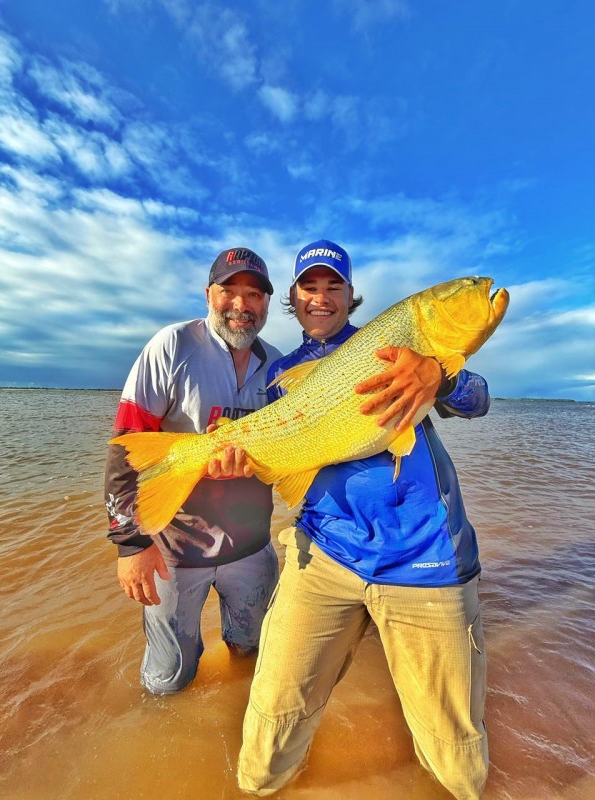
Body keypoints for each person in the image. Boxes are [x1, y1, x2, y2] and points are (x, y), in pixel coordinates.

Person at [237, 239, 490, 799]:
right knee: (270, 729)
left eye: (334, 286)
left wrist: (440, 377)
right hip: (324, 554)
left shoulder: (399, 347)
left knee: (456, 758)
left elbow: (478, 399)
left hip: (426, 560)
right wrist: (235, 457)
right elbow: (279, 462)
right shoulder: (281, 372)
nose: (321, 297)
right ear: (294, 298)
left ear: (351, 295)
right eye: (309, 287)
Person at [104, 247, 282, 694]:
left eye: (254, 294)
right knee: (168, 682)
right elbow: (126, 451)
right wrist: (130, 545)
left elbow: (290, 454)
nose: (241, 305)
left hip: (251, 547)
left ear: (265, 303)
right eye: (229, 291)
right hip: (175, 550)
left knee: (251, 657)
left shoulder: (279, 365)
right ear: (208, 294)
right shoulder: (172, 346)